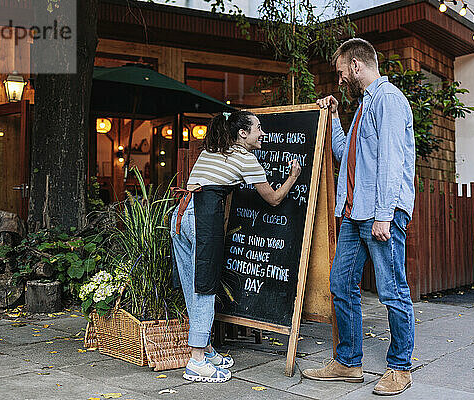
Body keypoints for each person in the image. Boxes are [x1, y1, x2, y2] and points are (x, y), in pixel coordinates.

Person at [301, 38, 416, 396]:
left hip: (380, 214)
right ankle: (348, 363)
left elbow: (391, 163)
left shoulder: (389, 100)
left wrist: (385, 215)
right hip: (354, 214)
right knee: (340, 286)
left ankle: (400, 367)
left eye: (340, 73)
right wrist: (334, 117)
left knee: (392, 291)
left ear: (355, 66)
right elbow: (342, 153)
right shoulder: (364, 107)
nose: (340, 81)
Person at [170, 110, 301, 383]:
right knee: (205, 286)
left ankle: (204, 349)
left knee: (191, 286)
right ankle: (196, 361)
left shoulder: (214, 149)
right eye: (258, 129)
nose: (263, 134)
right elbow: (274, 199)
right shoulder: (245, 158)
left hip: (180, 216)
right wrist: (292, 176)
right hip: (203, 220)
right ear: (242, 134)